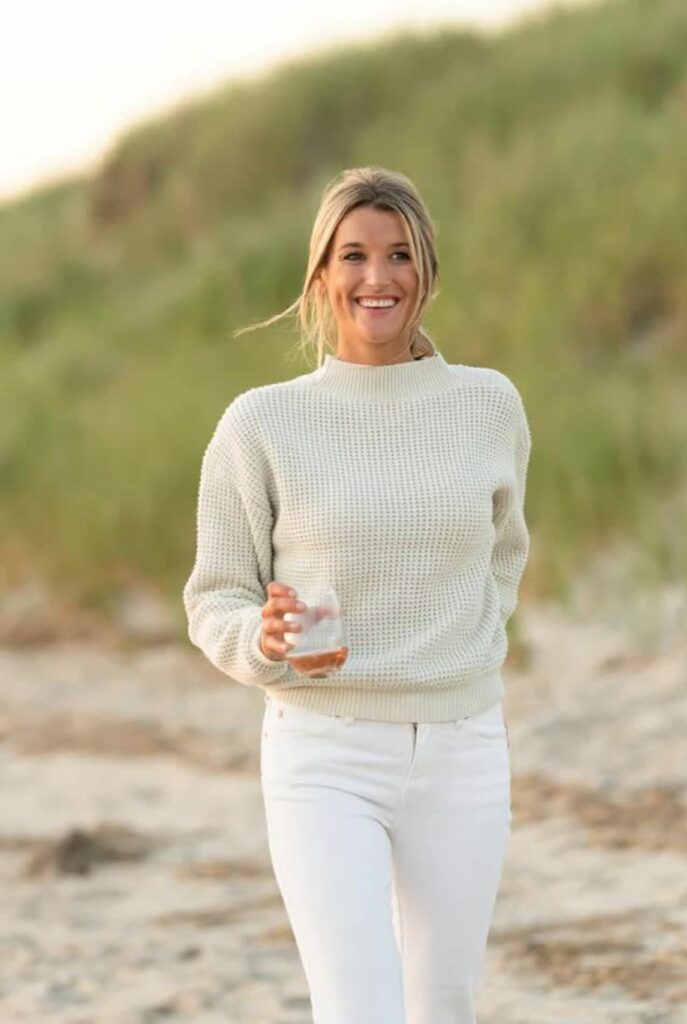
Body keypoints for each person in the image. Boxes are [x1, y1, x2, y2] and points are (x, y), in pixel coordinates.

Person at [182, 166, 531, 1024]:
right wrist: (262, 642)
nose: (378, 277)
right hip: (324, 753)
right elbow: (214, 596)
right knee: (359, 1011)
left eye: (399, 254)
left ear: (428, 272)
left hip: (464, 749)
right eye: (354, 255)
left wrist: (457, 653)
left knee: (442, 1007)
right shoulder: (260, 423)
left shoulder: (488, 405)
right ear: (321, 276)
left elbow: (505, 556)